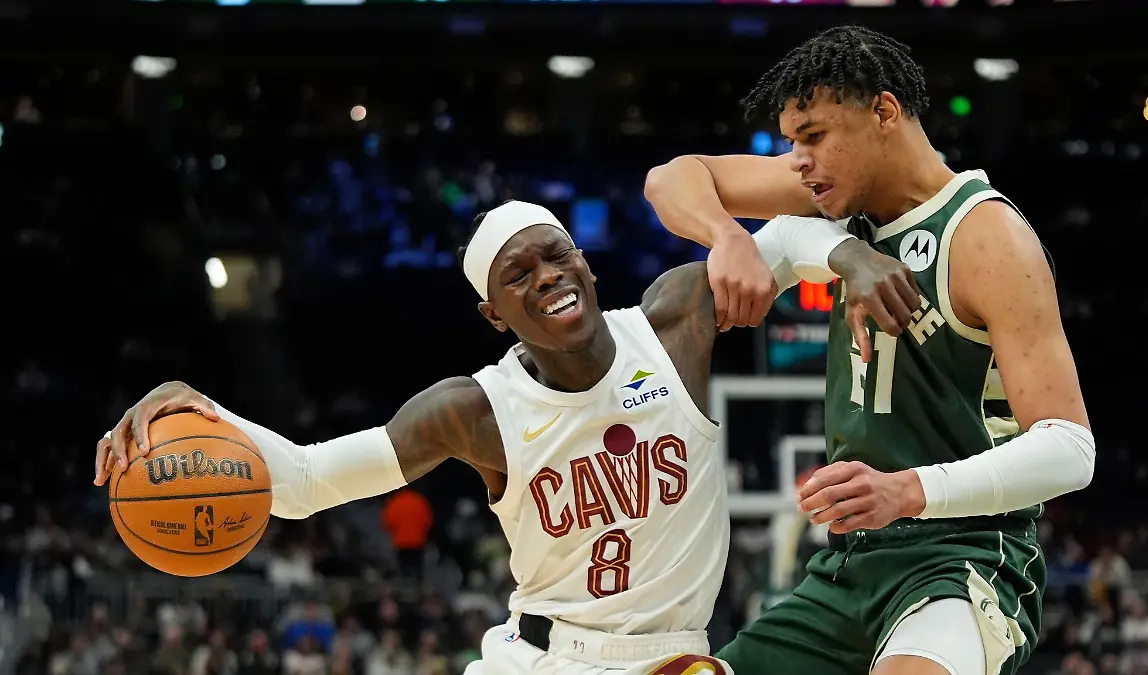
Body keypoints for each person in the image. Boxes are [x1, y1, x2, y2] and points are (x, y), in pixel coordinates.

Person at [93, 199, 916, 675]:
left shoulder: (672, 322)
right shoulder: (472, 408)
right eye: (516, 276)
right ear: (495, 314)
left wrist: (848, 255)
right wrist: (203, 405)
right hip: (543, 659)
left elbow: (777, 240)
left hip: (673, 655)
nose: (545, 276)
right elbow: (307, 481)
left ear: (585, 263)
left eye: (555, 257)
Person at [644, 24, 1096, 675]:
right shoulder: (833, 199)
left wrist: (908, 490)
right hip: (848, 566)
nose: (798, 160)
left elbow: (1070, 447)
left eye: (814, 137)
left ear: (883, 111)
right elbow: (670, 179)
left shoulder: (986, 235)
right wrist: (728, 235)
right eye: (791, 142)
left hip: (960, 559)